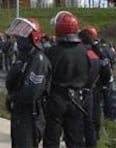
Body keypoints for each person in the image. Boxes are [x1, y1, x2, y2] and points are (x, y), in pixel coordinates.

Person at [43, 11, 90, 148]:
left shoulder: (52, 51)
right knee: (75, 138)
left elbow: (47, 74)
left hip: (57, 97)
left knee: (52, 137)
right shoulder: (83, 51)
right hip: (76, 98)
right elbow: (88, 73)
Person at [5, 17, 51, 147]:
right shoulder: (24, 57)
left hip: (30, 114)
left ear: (33, 38)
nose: (18, 39)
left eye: (23, 36)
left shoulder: (38, 59)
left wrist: (14, 96)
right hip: (20, 111)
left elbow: (31, 91)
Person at [79, 26, 111, 147]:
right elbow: (106, 73)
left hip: (84, 89)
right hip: (95, 87)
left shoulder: (85, 52)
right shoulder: (101, 51)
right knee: (93, 118)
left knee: (83, 120)